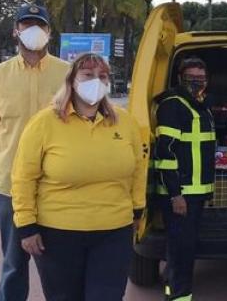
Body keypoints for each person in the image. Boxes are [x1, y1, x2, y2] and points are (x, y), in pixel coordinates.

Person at [11, 53, 146, 300]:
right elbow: (23, 177)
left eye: (102, 76)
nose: (96, 81)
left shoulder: (124, 122)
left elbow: (138, 167)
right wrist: (26, 225)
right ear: (72, 80)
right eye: (88, 75)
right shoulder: (44, 123)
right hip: (57, 233)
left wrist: (138, 209)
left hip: (114, 231)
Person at [0, 4, 70, 301]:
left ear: (49, 32)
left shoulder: (67, 74)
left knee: (57, 268)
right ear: (15, 31)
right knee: (14, 265)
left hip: (55, 187)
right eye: (26, 24)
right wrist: (12, 162)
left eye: (39, 25)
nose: (33, 30)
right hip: (9, 190)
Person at [154, 57, 217, 301]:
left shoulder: (200, 105)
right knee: (182, 250)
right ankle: (178, 297)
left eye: (201, 79)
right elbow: (165, 153)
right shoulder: (173, 105)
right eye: (192, 79)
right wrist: (175, 194)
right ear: (180, 79)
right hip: (181, 194)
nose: (197, 83)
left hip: (195, 193)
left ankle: (173, 293)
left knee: (181, 248)